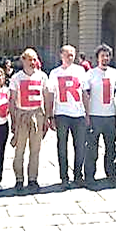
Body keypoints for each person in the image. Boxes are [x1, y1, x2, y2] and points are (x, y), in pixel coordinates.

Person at [9, 48, 49, 191]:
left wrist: (47, 117)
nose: (33, 62)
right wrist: (13, 120)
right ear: (23, 60)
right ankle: (19, 178)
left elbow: (46, 97)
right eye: (30, 59)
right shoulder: (16, 78)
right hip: (22, 114)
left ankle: (33, 178)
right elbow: (12, 100)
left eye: (34, 59)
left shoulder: (42, 76)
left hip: (37, 114)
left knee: (35, 149)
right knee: (19, 149)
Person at [47, 45, 87, 186]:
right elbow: (50, 95)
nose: (70, 57)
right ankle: (64, 176)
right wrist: (50, 116)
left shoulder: (80, 70)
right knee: (62, 146)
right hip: (61, 114)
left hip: (78, 114)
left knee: (80, 146)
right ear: (61, 55)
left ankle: (78, 174)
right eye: (67, 54)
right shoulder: (54, 73)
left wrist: (87, 113)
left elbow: (84, 93)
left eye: (72, 55)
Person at [84, 44, 116, 183]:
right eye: (102, 55)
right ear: (97, 57)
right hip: (95, 115)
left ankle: (111, 172)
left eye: (107, 55)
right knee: (92, 147)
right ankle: (89, 175)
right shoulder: (90, 74)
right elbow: (86, 95)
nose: (105, 58)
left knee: (111, 146)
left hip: (110, 115)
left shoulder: (115, 73)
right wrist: (87, 115)